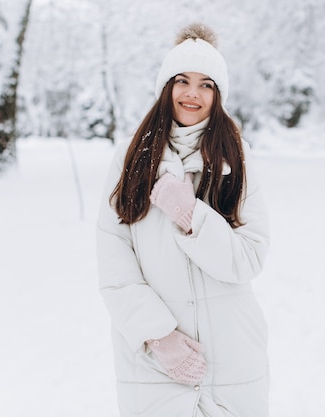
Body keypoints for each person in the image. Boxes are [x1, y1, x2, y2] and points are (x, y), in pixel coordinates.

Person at [96, 23, 271, 417]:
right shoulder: (130, 159)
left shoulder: (236, 159)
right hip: (152, 361)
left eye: (206, 84)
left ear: (218, 94)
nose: (193, 93)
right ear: (166, 87)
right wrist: (158, 336)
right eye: (183, 81)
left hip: (232, 356)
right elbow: (113, 263)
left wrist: (192, 216)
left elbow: (250, 258)